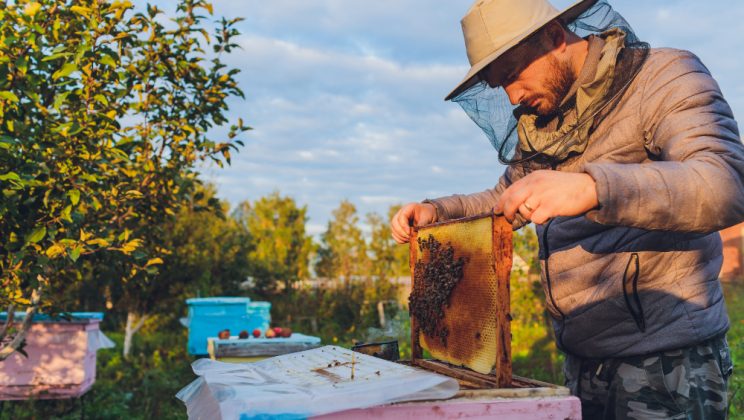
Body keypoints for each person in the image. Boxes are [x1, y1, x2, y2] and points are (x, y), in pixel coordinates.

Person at [390, 0, 741, 418]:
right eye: (499, 85)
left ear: (555, 38)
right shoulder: (545, 123)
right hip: (583, 362)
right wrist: (438, 212)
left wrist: (594, 188)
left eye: (513, 75)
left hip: (668, 362)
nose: (512, 95)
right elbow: (504, 201)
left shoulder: (664, 77)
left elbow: (725, 182)